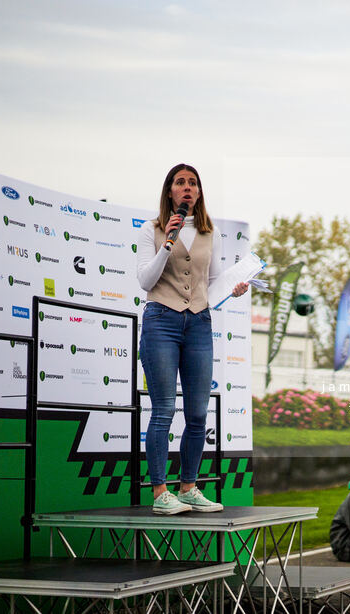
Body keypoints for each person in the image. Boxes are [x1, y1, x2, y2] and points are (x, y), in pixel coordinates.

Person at [137, 163, 248, 515]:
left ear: (199, 192)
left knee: (198, 412)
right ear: (169, 191)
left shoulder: (208, 232)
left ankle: (188, 487)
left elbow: (212, 285)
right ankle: (160, 493)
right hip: (161, 321)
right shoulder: (151, 229)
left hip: (199, 322)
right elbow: (145, 280)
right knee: (165, 409)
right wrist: (166, 244)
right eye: (180, 182)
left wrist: (235, 290)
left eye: (193, 183)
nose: (187, 188)